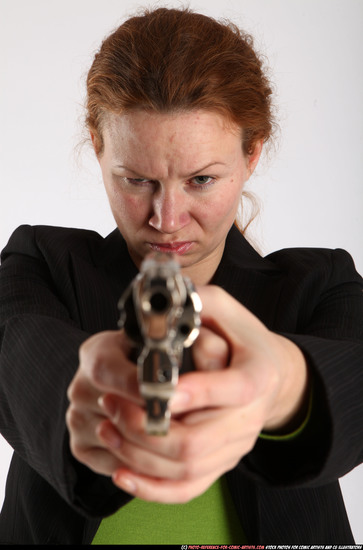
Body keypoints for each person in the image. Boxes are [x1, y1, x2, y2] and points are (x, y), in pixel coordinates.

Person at [0, 6, 362, 545]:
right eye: (137, 179)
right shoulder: (39, 264)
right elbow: (20, 353)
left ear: (252, 154)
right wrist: (88, 399)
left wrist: (285, 385)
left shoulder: (323, 283)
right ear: (98, 146)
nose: (166, 221)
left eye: (200, 180)